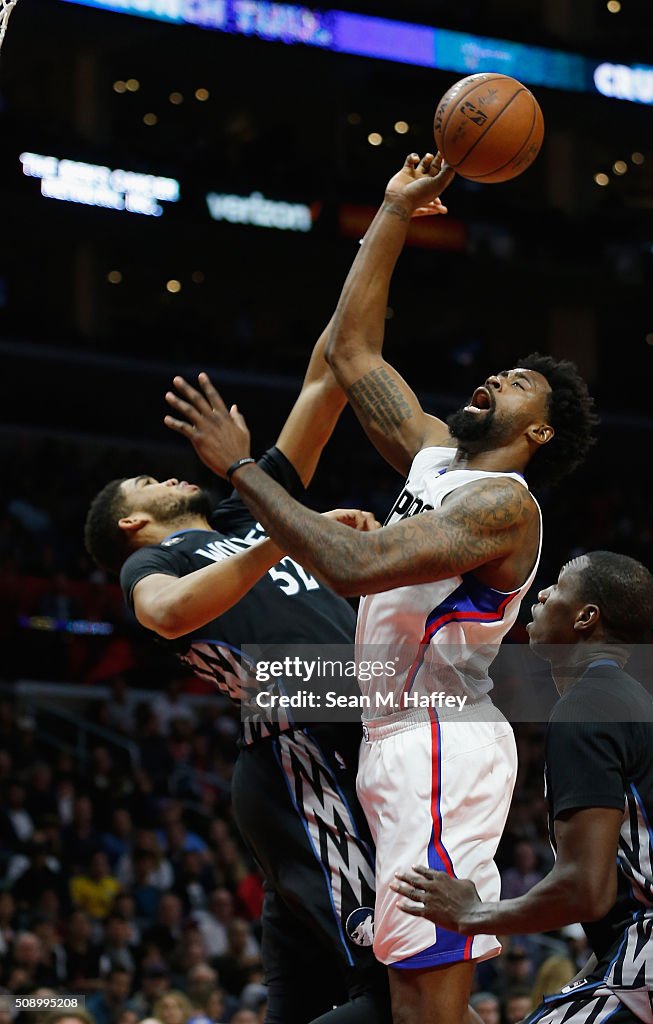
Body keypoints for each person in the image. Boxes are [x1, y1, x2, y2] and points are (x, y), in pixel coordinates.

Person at [161, 151, 598, 1024]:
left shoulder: (501, 508)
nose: (496, 378)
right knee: (410, 995)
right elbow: (350, 350)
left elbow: (352, 566)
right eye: (500, 370)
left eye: (517, 385)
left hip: (441, 741)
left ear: (539, 430)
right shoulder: (435, 455)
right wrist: (395, 211)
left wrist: (242, 469)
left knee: (427, 1000)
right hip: (392, 738)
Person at [84, 324, 390, 1024]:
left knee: (310, 1001)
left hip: (348, 732)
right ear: (132, 521)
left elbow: (325, 378)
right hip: (298, 749)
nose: (166, 475)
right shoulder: (151, 562)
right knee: (396, 991)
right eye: (148, 483)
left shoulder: (242, 512)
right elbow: (164, 614)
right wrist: (284, 535)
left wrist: (388, 223)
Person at [392, 551, 653, 1024]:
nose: (543, 594)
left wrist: (473, 913)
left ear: (586, 617)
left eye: (558, 585)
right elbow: (613, 901)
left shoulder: (588, 707)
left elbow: (586, 890)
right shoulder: (628, 700)